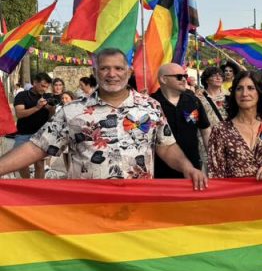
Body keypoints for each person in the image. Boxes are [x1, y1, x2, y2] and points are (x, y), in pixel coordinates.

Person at [0, 48, 207, 189]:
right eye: (105, 68)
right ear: (95, 72)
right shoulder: (72, 111)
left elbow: (166, 146)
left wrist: (187, 167)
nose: (112, 74)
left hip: (139, 204)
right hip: (89, 206)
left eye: (118, 68)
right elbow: (38, 147)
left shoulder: (150, 107)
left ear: (128, 71)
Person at [208, 71, 262, 179]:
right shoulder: (221, 130)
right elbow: (215, 175)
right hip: (235, 195)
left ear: (259, 92)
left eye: (250, 88)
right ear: (234, 93)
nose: (244, 93)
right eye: (239, 88)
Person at [151, 63, 211, 179]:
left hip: (193, 170)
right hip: (160, 171)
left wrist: (212, 157)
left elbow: (205, 130)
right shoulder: (150, 104)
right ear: (164, 79)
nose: (184, 80)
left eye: (185, 76)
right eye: (179, 77)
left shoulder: (193, 101)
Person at [12, 72, 55, 178]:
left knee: (40, 164)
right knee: (21, 163)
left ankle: (38, 188)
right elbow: (19, 114)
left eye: (47, 87)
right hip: (23, 134)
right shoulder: (22, 95)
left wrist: (51, 110)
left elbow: (51, 119)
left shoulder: (47, 97)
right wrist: (37, 107)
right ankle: (28, 184)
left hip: (41, 135)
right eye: (42, 85)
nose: (44, 89)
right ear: (35, 82)